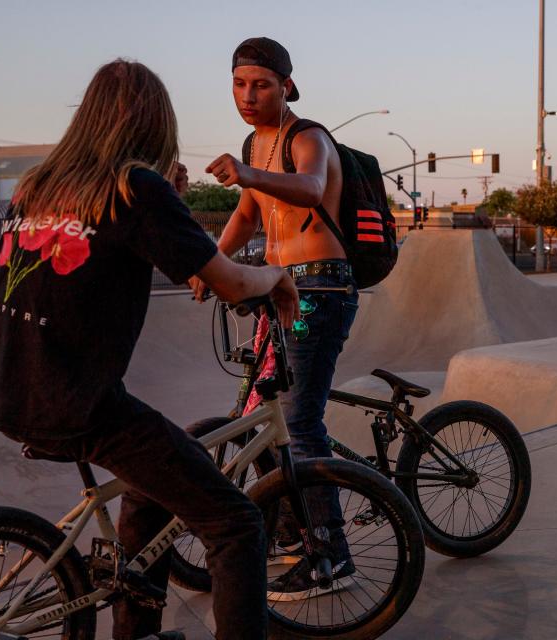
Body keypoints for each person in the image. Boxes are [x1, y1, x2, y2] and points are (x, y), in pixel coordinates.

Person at [0, 59, 299, 640]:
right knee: (235, 523)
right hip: (79, 402)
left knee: (148, 491)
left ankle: (137, 630)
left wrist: (169, 203)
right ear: (154, 123)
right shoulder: (134, 187)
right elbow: (228, 280)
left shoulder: (38, 185)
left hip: (10, 387)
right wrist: (275, 276)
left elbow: (116, 251)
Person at [189, 37, 359, 600]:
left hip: (319, 287)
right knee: (267, 418)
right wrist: (207, 263)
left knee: (300, 420)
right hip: (275, 287)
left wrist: (247, 173)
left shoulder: (307, 137)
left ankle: (331, 554)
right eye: (239, 84)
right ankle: (291, 533)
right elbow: (244, 216)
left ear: (285, 85)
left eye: (260, 84)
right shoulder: (252, 143)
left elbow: (310, 190)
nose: (248, 95)